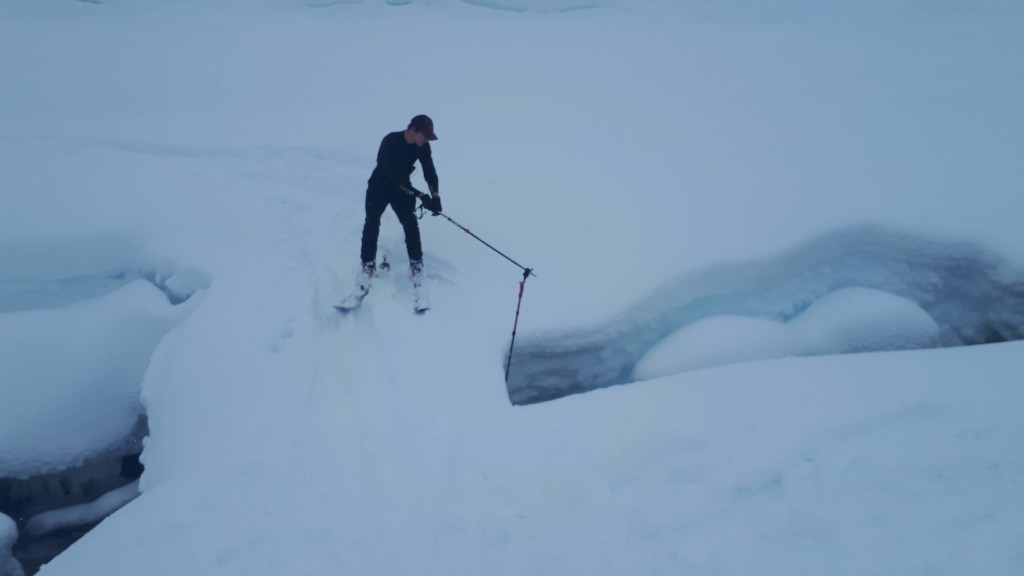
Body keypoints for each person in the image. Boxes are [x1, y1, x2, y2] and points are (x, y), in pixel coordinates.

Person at [359, 114, 442, 281]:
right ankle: (368, 264)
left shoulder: (422, 146)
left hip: (402, 188)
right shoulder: (391, 142)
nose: (426, 140)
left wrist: (434, 195)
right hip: (379, 186)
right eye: (424, 136)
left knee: (410, 223)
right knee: (372, 223)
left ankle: (416, 262)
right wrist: (421, 196)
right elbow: (395, 179)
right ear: (412, 129)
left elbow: (429, 170)